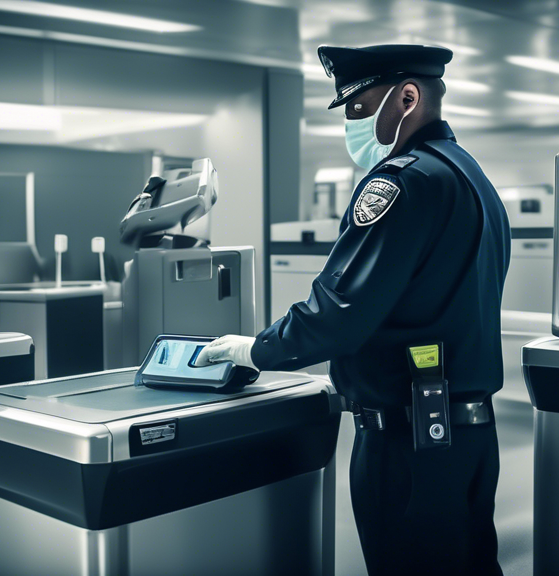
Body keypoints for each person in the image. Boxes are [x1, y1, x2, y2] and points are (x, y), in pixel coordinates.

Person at [196, 44, 511, 575]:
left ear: (407, 98)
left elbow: (339, 310)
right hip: (469, 435)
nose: (351, 124)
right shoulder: (470, 176)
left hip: (407, 442)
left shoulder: (402, 182)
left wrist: (256, 349)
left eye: (359, 109)